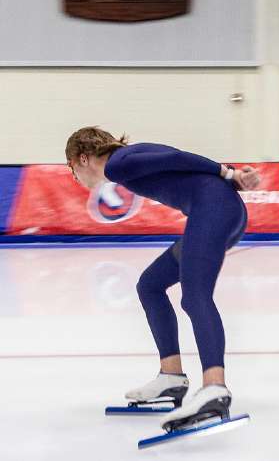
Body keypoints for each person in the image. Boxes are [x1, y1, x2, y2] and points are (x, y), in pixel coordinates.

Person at [65, 127, 259, 430]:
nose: (75, 178)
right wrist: (226, 176)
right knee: (151, 285)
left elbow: (176, 157)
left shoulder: (118, 163)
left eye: (72, 169)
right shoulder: (126, 158)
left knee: (195, 296)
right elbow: (173, 160)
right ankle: (171, 376)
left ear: (83, 158)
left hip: (214, 211)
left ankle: (214, 387)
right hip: (220, 212)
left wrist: (227, 173)